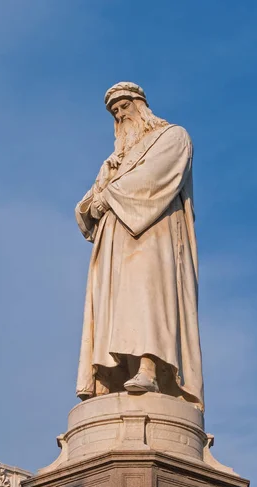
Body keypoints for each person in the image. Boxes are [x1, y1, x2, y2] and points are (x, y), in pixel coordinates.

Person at [75, 82, 204, 410]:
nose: (120, 115)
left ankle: (150, 367)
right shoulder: (114, 159)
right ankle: (120, 374)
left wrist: (110, 196)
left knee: (148, 299)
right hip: (114, 242)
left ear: (140, 105)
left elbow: (154, 179)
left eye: (123, 107)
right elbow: (90, 202)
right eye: (114, 112)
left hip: (152, 232)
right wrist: (95, 203)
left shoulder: (172, 137)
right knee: (116, 306)